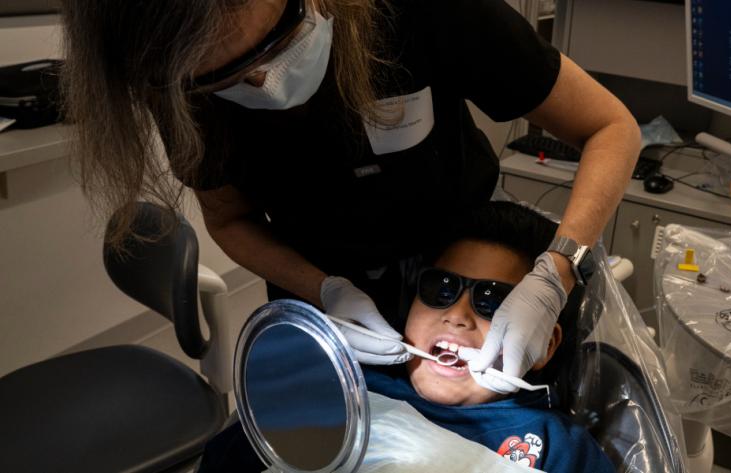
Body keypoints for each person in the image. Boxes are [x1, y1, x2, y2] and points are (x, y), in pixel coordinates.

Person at [58, 0, 641, 394]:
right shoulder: (170, 65)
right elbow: (230, 219)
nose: (262, 82)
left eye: (273, 49)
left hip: (455, 250)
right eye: (224, 81)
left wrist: (558, 269)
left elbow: (611, 129)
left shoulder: (429, 12)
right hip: (317, 280)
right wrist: (324, 290)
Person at [198, 201, 615, 472]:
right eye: (440, 289)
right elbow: (228, 460)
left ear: (544, 342)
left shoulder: (553, 445)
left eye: (493, 301)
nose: (456, 315)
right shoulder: (350, 388)